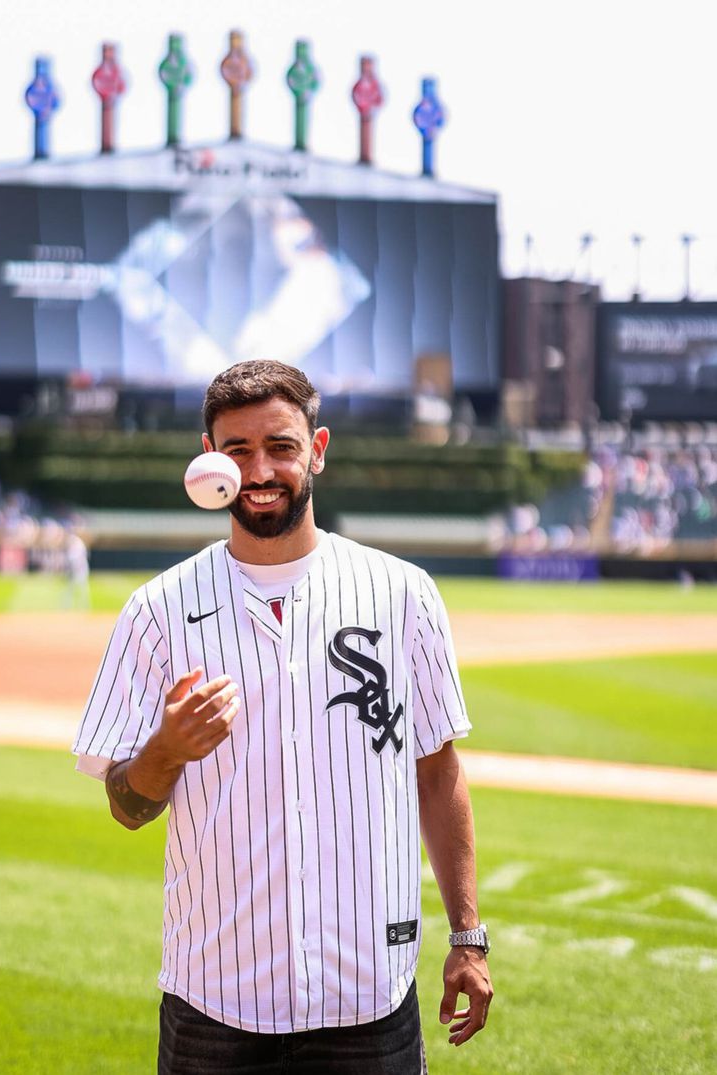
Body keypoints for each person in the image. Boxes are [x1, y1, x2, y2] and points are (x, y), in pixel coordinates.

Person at [72, 360, 492, 1073]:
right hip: (215, 1003)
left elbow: (436, 768)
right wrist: (166, 751)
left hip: (369, 999)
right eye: (237, 449)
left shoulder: (402, 595)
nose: (260, 468)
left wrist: (468, 936)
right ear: (207, 459)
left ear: (317, 449)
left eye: (281, 446)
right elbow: (126, 805)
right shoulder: (158, 612)